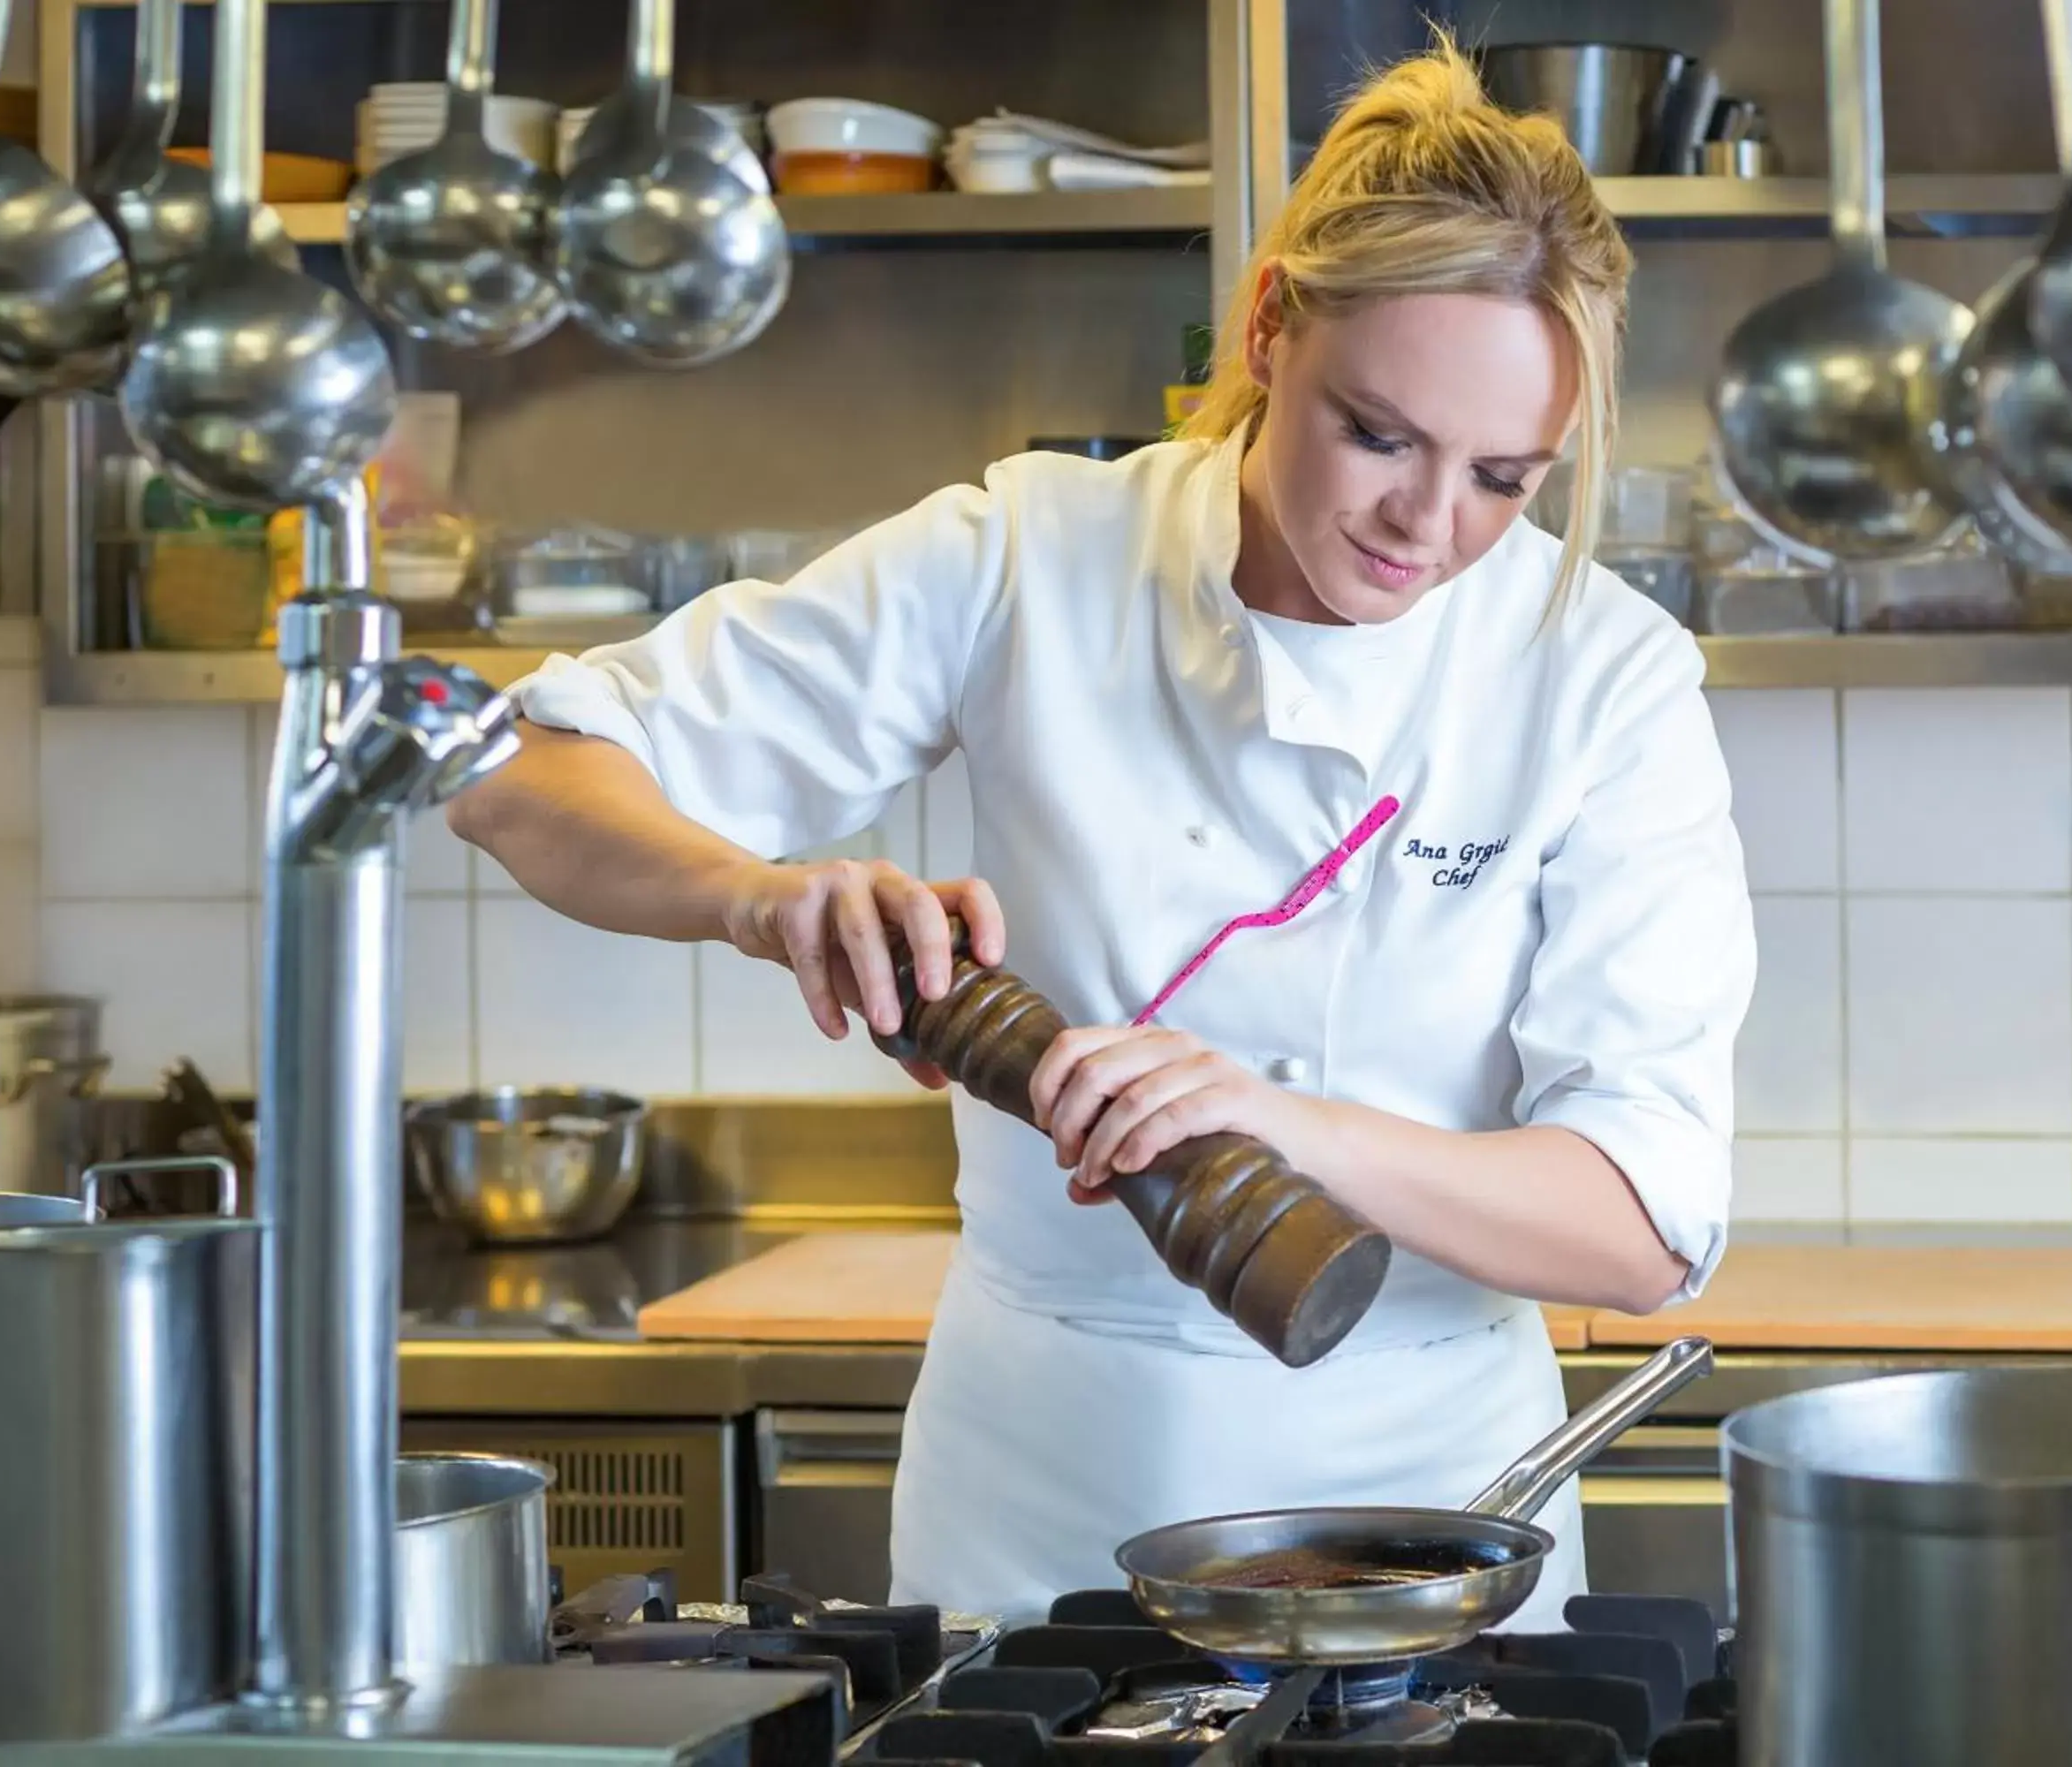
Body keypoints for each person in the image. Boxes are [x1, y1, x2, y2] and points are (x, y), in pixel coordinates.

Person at [447, 36, 1755, 1626]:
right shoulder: (1034, 558)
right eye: (1379, 435)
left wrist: (1285, 1123)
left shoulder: (1601, 672)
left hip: (1429, 1507)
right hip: (1046, 1481)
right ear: (1270, 325)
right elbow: (514, 770)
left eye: (1504, 476)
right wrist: (759, 897)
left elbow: (1640, 1226)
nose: (1432, 527)